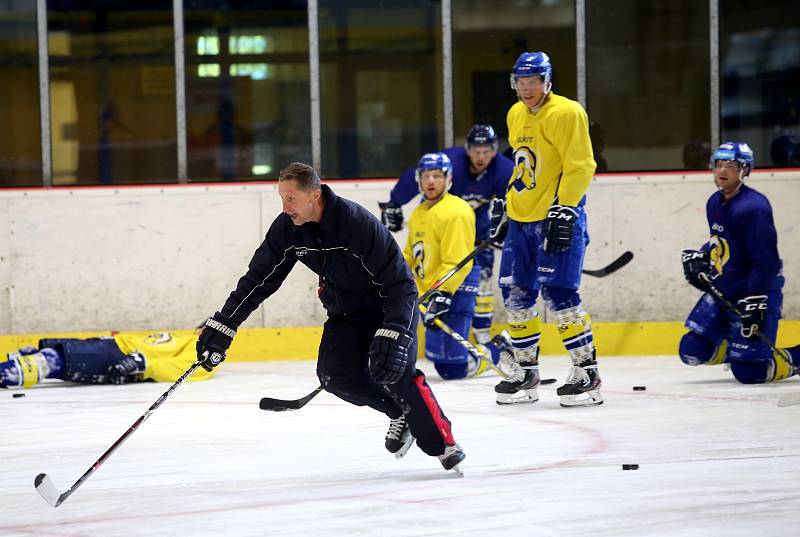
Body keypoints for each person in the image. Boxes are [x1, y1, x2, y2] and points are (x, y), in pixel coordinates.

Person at [195, 162, 465, 474]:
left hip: (387, 308)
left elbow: (401, 284)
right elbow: (258, 279)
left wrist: (395, 331)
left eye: (291, 199)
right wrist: (225, 324)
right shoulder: (287, 229)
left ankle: (443, 445)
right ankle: (398, 413)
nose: (285, 207)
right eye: (281, 198)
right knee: (335, 376)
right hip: (346, 313)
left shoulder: (355, 224)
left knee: (396, 373)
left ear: (315, 195)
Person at [489, 51, 602, 407]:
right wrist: (507, 206)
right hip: (522, 221)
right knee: (516, 295)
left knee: (560, 296)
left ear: (547, 81)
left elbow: (581, 165)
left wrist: (566, 207)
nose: (526, 88)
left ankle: (588, 375)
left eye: (533, 82)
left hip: (556, 216)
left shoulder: (567, 112)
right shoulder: (515, 113)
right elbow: (524, 167)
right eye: (520, 82)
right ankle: (526, 373)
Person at [380, 124, 514, 345]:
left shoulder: (503, 170)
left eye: (487, 151)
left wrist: (508, 224)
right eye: (476, 151)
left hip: (475, 222)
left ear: (494, 150)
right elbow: (420, 174)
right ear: (467, 149)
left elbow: (515, 199)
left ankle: (483, 337)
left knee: (482, 279)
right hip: (438, 218)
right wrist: (395, 202)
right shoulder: (451, 162)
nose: (481, 157)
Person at [680, 142, 799, 383]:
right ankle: (738, 352)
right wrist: (702, 257)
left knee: (750, 373)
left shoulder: (754, 207)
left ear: (745, 170)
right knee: (691, 350)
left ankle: (792, 358)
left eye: (731, 166)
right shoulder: (714, 201)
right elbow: (723, 242)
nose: (722, 171)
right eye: (718, 165)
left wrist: (756, 300)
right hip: (725, 289)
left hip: (755, 293)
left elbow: (766, 262)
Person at [403, 152, 517, 380]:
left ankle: (500, 347)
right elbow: (409, 253)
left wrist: (442, 293)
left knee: (453, 369)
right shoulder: (419, 212)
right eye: (426, 176)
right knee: (440, 359)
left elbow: (457, 262)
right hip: (433, 288)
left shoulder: (456, 211)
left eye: (437, 175)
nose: (431, 181)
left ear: (448, 179)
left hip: (455, 286)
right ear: (419, 180)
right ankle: (494, 347)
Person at [0, 332, 213, 388]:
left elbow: (191, 367)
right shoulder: (189, 338)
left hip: (119, 358)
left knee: (48, 362)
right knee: (48, 355)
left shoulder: (207, 349)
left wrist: (143, 364)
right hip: (109, 345)